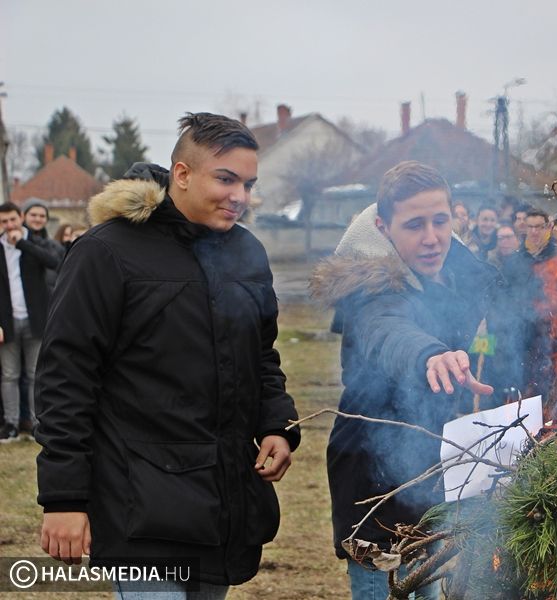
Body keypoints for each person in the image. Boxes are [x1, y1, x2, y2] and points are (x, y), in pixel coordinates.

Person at [35, 113, 300, 598]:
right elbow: (66, 377)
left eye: (248, 184)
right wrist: (64, 497)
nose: (239, 196)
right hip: (139, 506)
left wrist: (276, 426)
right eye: (225, 179)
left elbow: (262, 356)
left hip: (223, 505)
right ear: (182, 174)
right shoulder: (107, 251)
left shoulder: (247, 254)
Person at [312, 161, 516, 600]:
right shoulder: (370, 287)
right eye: (414, 225)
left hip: (430, 467)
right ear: (383, 228)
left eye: (440, 221)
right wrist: (430, 355)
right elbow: (387, 329)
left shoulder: (462, 275)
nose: (431, 237)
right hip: (371, 475)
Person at [0, 203, 61, 442]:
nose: (9, 225)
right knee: (9, 375)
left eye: (12, 220)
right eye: (3, 221)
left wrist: (22, 244)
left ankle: (37, 423)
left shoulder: (35, 243)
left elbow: (53, 262)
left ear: (21, 217)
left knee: (36, 374)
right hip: (8, 321)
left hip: (35, 319)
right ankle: (11, 423)